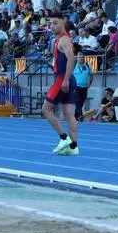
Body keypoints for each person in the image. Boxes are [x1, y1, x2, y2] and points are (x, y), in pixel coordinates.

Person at [42, 13, 79, 156]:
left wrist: (65, 80)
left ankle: (64, 138)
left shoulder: (64, 39)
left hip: (63, 79)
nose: (52, 26)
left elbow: (71, 59)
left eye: (55, 23)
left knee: (46, 109)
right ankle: (74, 147)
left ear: (63, 22)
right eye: (50, 24)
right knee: (69, 113)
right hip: (65, 78)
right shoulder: (59, 40)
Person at [72, 48, 93, 122]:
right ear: (76, 57)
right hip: (76, 87)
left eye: (82, 56)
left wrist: (90, 83)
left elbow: (91, 75)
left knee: (81, 102)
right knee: (77, 101)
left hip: (84, 87)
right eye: (79, 56)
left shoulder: (88, 65)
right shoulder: (74, 65)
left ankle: (75, 116)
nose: (81, 58)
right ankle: (80, 114)